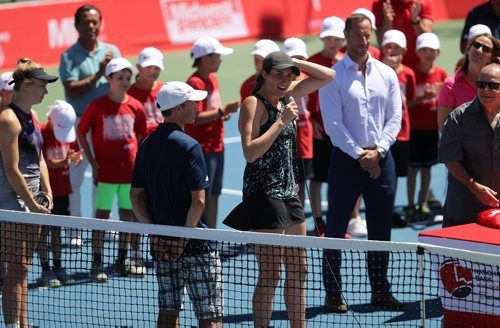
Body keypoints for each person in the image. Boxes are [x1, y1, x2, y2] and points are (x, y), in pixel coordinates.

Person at [224, 51, 335, 327]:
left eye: (289, 75)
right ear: (264, 73)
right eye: (279, 74)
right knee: (271, 273)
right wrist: (281, 122)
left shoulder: (286, 95)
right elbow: (250, 153)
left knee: (300, 269)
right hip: (264, 195)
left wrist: (297, 63)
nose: (285, 80)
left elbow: (328, 76)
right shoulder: (253, 103)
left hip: (290, 192)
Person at [319, 13, 404, 313]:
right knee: (336, 228)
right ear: (346, 34)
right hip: (346, 161)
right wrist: (361, 155)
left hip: (382, 160)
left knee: (381, 231)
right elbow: (333, 125)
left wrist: (378, 152)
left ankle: (381, 291)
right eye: (358, 34)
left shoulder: (387, 73)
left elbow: (395, 117)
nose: (364, 39)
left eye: (368, 34)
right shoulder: (332, 76)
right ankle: (333, 294)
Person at [130, 81, 223, 328]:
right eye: (192, 103)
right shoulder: (189, 145)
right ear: (179, 108)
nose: (197, 107)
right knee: (210, 316)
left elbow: (136, 196)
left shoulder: (146, 145)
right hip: (196, 247)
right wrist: (182, 239)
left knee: (168, 312)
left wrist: (154, 232)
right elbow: (199, 200)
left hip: (162, 248)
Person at [77, 58, 147, 282]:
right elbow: (81, 132)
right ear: (109, 79)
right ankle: (97, 262)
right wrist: (94, 161)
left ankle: (122, 259)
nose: (125, 82)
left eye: (128, 78)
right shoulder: (97, 106)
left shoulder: (136, 106)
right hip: (106, 175)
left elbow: (141, 135)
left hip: (130, 174)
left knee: (128, 216)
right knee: (102, 217)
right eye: (120, 78)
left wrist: (138, 163)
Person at [0, 58, 58, 328]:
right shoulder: (7, 119)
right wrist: (32, 203)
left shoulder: (32, 117)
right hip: (13, 203)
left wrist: (46, 191)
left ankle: (23, 324)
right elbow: (12, 169)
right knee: (16, 266)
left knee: (24, 266)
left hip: (33, 201)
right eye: (42, 85)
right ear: (26, 85)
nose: (46, 89)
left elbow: (40, 158)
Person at [59, 4, 121, 246]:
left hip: (106, 125)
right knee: (74, 178)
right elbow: (72, 91)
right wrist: (99, 73)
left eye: (95, 21)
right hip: (77, 124)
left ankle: (102, 224)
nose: (91, 26)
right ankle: (74, 228)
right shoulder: (68, 56)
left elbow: (122, 82)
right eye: (86, 22)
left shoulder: (112, 51)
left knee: (102, 177)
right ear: (77, 26)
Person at [185, 36, 240, 229]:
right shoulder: (195, 82)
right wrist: (221, 111)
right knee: (201, 196)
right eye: (217, 56)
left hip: (216, 145)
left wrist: (220, 115)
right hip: (202, 148)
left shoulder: (212, 79)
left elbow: (211, 110)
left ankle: (212, 238)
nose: (220, 60)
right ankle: (200, 239)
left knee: (214, 193)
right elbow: (194, 117)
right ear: (205, 58)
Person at [439, 63, 500, 227]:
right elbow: (450, 159)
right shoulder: (458, 117)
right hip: (462, 212)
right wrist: (475, 188)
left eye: (493, 86)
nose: (486, 90)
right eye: (481, 84)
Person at [306, 16, 346, 237]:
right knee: (318, 178)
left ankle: (336, 220)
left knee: (338, 179)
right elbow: (303, 100)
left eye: (337, 38)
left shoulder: (345, 62)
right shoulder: (312, 62)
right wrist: (313, 123)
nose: (333, 42)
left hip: (339, 132)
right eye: (329, 38)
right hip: (319, 133)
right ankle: (319, 220)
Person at [38, 100, 82, 288]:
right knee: (43, 231)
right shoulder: (41, 132)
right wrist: (65, 160)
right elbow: (44, 163)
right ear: (50, 119)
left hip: (63, 190)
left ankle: (58, 267)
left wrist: (76, 157)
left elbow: (75, 151)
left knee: (57, 230)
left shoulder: (67, 130)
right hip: (45, 191)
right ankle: (46, 270)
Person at [406, 33, 447, 221]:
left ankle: (422, 204)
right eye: (424, 50)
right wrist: (424, 98)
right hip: (414, 129)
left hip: (431, 130)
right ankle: (410, 204)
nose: (428, 53)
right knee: (412, 169)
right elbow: (407, 103)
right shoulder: (411, 73)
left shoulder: (441, 74)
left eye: (432, 50)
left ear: (437, 52)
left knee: (427, 169)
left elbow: (445, 101)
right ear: (417, 52)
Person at [380, 30, 416, 227]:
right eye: (389, 46)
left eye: (398, 48)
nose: (393, 51)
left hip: (402, 133)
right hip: (381, 132)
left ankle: (391, 210)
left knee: (395, 175)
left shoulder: (408, 74)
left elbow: (408, 103)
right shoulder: (377, 70)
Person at [437, 33, 499, 131]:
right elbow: (444, 128)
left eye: (486, 49)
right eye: (476, 45)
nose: (479, 50)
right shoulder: (450, 85)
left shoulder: (497, 86)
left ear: (490, 58)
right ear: (468, 50)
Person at [283, 37, 314, 206]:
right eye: (293, 59)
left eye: (301, 59)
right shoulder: (281, 83)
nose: (297, 63)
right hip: (286, 140)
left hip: (305, 139)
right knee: (287, 183)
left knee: (301, 184)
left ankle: (298, 219)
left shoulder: (309, 80)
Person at [372, 0, 433, 68]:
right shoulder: (380, 4)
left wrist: (415, 20)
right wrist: (387, 21)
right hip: (390, 65)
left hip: (417, 66)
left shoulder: (423, 2)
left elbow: (427, 40)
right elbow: (381, 41)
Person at [128, 46, 165, 136]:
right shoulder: (129, 94)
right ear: (138, 67)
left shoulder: (164, 89)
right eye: (148, 67)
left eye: (156, 67)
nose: (152, 71)